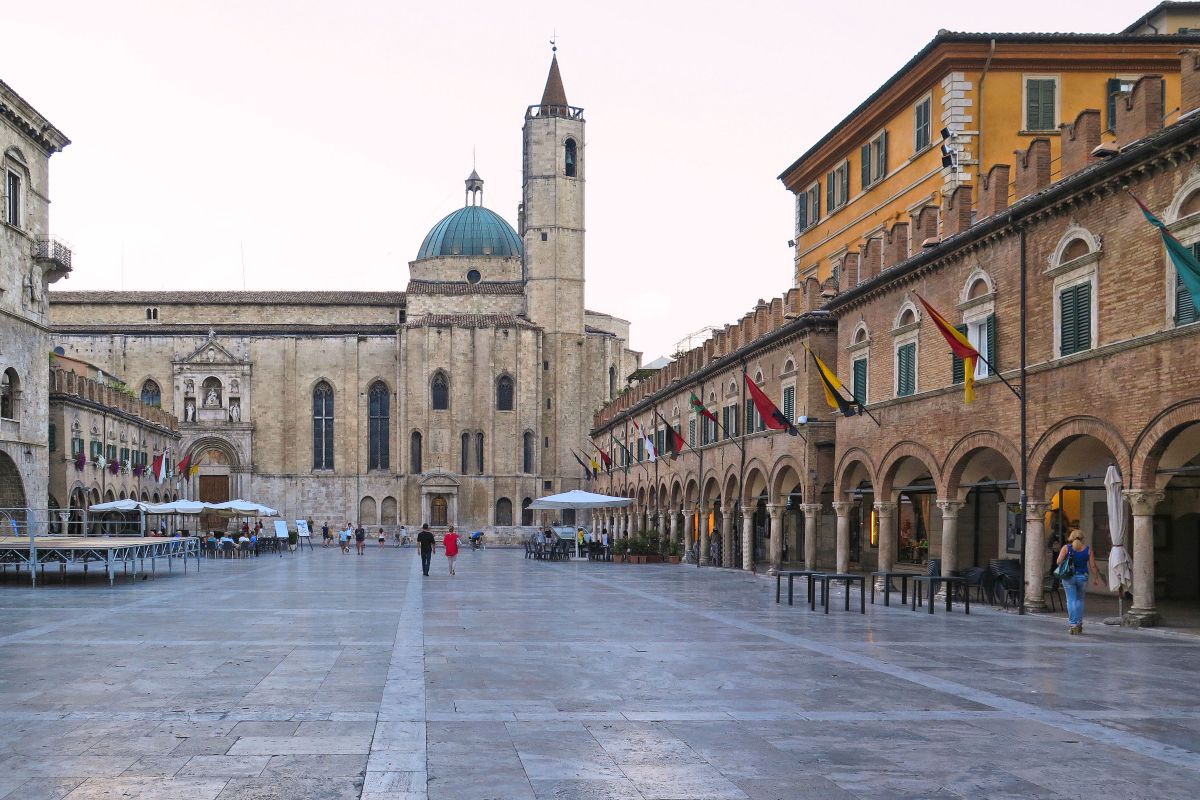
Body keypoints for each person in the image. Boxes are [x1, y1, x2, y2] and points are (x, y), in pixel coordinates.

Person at [1056, 528, 1100, 635]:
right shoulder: (1088, 550)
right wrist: (1095, 578)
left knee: (1071, 600)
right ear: (1082, 538)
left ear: (1071, 537)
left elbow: (1058, 561)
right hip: (1082, 577)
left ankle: (1073, 624)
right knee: (1080, 600)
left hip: (1069, 577)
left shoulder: (1066, 548)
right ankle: (1079, 623)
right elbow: (1093, 566)